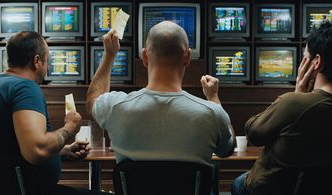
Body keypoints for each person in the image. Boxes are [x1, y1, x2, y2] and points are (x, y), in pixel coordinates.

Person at [231, 23, 332, 195]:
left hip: (268, 190)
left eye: (305, 57)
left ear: (316, 62)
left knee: (238, 183)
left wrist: (297, 94)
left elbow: (253, 134)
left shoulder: (294, 103)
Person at [0, 31, 108, 195]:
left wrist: (63, 150)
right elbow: (37, 151)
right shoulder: (24, 88)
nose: (47, 67)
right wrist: (69, 127)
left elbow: (15, 149)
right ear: (37, 61)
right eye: (47, 60)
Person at [86, 21, 235, 167]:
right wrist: (213, 97)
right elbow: (227, 150)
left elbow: (93, 99)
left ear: (144, 57)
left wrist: (109, 55)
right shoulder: (212, 113)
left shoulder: (115, 106)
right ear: (188, 57)